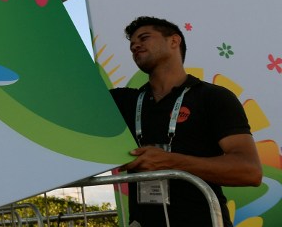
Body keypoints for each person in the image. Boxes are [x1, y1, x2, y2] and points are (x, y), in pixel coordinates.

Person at [110, 16, 262, 227]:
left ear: (174, 41)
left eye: (144, 38)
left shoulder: (213, 97)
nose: (135, 46)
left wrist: (171, 162)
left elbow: (250, 171)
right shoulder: (124, 101)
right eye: (131, 45)